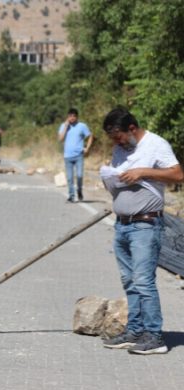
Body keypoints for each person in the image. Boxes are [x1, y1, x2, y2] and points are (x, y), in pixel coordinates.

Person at [100, 107, 183, 355]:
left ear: (132, 129)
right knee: (129, 281)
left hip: (145, 225)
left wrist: (143, 171)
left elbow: (178, 174)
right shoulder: (120, 149)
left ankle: (155, 336)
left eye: (120, 137)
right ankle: (135, 330)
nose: (117, 143)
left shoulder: (156, 144)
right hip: (122, 223)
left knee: (144, 281)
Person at [58, 108, 94, 202]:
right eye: (70, 116)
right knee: (69, 178)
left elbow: (90, 136)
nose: (72, 118)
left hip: (79, 155)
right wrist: (66, 126)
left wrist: (87, 148)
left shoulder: (82, 126)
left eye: (74, 116)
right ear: (68, 116)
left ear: (77, 117)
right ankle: (71, 195)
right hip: (67, 156)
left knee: (79, 175)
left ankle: (79, 190)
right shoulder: (63, 126)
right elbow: (61, 139)